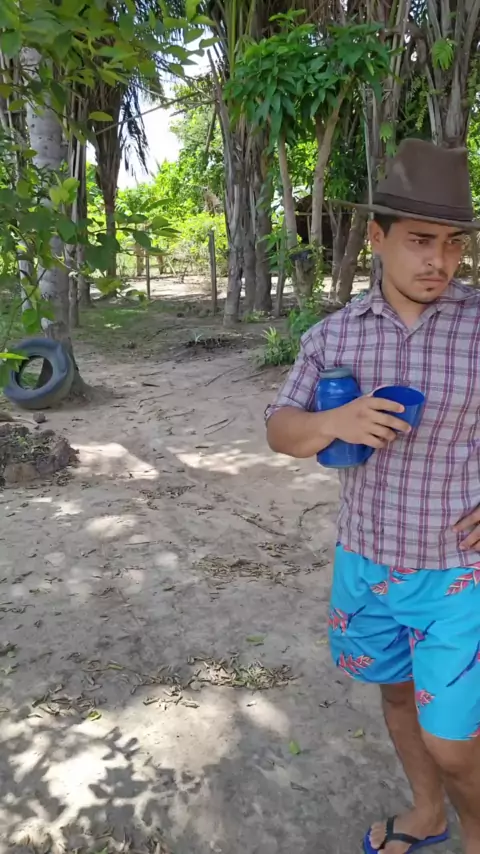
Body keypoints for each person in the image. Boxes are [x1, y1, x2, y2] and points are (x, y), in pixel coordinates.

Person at [265, 139, 480, 854]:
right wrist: (335, 423)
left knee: (455, 742)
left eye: (453, 244)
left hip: (459, 571)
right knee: (395, 696)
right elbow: (280, 429)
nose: (439, 261)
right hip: (366, 561)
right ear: (377, 239)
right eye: (421, 240)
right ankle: (427, 813)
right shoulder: (334, 337)